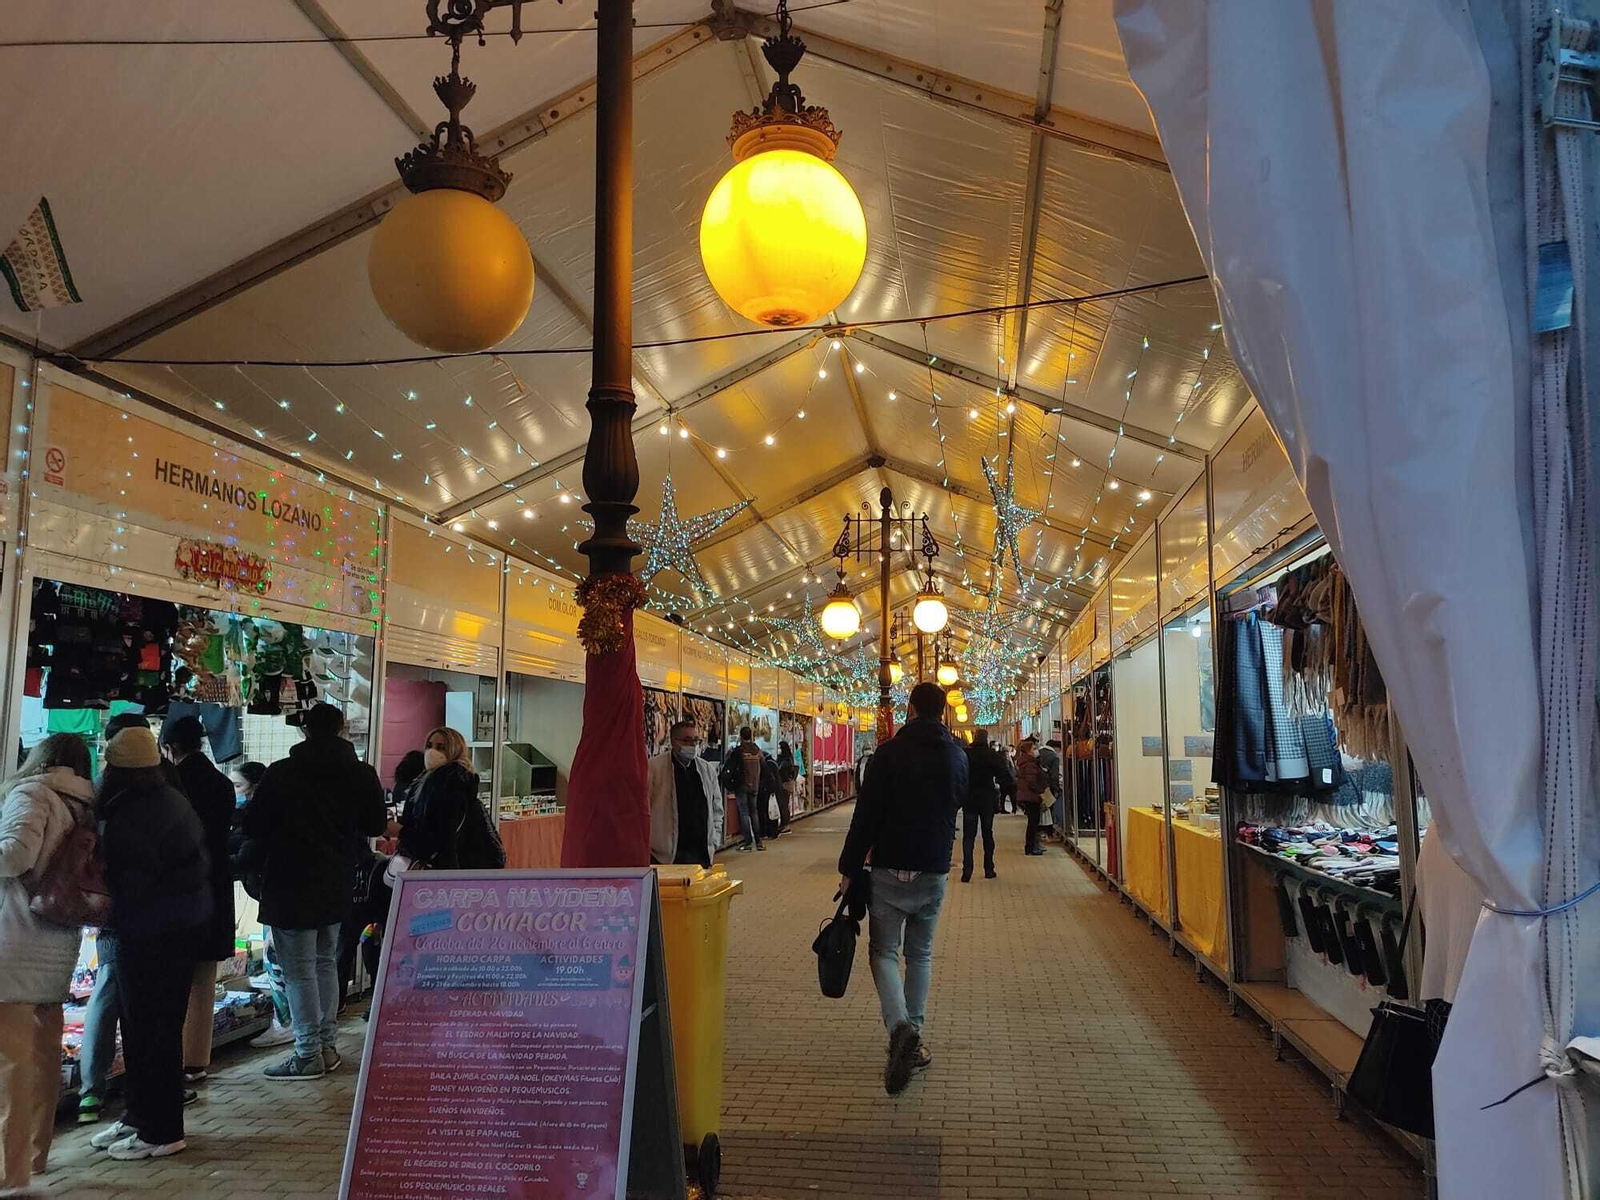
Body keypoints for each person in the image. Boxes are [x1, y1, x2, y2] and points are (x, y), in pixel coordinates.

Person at [836, 682, 967, 1096]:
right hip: (932, 867)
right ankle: (915, 1036)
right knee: (921, 954)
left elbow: (866, 815)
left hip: (889, 867)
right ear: (943, 712)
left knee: (883, 953)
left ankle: (899, 1027)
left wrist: (849, 867)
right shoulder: (956, 756)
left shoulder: (888, 754)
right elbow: (955, 805)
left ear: (909, 709)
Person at [242, 703, 385, 1081]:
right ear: (340, 730)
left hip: (289, 882)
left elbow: (255, 825)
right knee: (324, 962)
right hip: (337, 879)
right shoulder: (360, 773)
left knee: (298, 969)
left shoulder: (282, 773)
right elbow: (375, 822)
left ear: (304, 729)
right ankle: (326, 1045)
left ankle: (307, 1052)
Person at [88, 726, 212, 1162]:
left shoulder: (138, 811)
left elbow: (136, 878)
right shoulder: (164, 799)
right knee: (148, 1028)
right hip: (170, 929)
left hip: (152, 932)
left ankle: (160, 1130)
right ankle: (141, 1117)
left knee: (151, 1031)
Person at [0, 733, 96, 1191]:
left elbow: (14, 854)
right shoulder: (84, 804)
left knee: (9, 1063)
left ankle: (8, 1170)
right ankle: (36, 1156)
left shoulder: (32, 793)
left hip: (14, 940)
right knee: (41, 1059)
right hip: (59, 941)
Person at [79, 712, 180, 1126]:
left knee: (112, 998)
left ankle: (99, 1095)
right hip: (161, 921)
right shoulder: (168, 793)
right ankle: (144, 1109)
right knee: (152, 1017)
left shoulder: (110, 799)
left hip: (126, 919)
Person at [160, 717, 236, 1087]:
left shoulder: (171, 785)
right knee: (204, 979)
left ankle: (169, 1057)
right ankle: (196, 1059)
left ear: (169, 747)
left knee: (173, 980)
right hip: (216, 888)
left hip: (179, 893)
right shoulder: (222, 784)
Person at [228, 763, 294, 1050]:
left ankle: (286, 1023)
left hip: (275, 898)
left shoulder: (258, 821)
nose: (234, 793)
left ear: (255, 787)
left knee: (277, 960)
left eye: (238, 786)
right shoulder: (283, 812)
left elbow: (248, 856)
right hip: (284, 896)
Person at [397, 728, 482, 871]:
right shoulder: (426, 780)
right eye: (429, 746)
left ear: (455, 750)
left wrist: (400, 831)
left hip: (440, 868)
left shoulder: (451, 784)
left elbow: (440, 836)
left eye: (441, 748)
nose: (432, 752)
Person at [646, 720, 723, 869]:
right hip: (666, 856)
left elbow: (717, 807)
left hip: (700, 855)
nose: (692, 745)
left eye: (695, 740)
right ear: (673, 741)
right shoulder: (654, 768)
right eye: (686, 740)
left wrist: (714, 841)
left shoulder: (705, 770)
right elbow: (645, 808)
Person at [961, 730, 1012, 883]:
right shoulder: (992, 755)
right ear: (987, 738)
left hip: (969, 797)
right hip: (987, 797)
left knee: (968, 835)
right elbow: (1005, 775)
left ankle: (967, 871)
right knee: (987, 833)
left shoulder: (966, 754)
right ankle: (988, 868)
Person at [721, 727, 766, 852]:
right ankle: (759, 842)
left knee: (744, 813)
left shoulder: (738, 751)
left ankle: (747, 843)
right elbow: (763, 765)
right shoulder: (757, 750)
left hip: (742, 785)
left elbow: (729, 764)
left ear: (741, 736)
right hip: (754, 786)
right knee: (754, 812)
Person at [1016, 737, 1046, 856]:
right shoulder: (1030, 764)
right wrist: (1040, 791)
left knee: (1032, 822)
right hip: (1031, 796)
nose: (1036, 750)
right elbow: (1031, 781)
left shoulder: (1024, 761)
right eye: (1034, 748)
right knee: (1033, 823)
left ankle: (1030, 846)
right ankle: (1031, 847)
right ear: (1029, 751)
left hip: (1026, 795)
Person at [1039, 736, 1065, 843]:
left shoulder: (1038, 752)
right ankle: (1047, 833)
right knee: (1048, 809)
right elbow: (1054, 776)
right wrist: (1056, 789)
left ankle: (1040, 834)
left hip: (1036, 787)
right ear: (1057, 748)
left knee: (1039, 811)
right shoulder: (1054, 757)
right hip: (1048, 786)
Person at [776, 741, 799, 832]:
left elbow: (781, 771)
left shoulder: (785, 761)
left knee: (783, 805)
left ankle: (785, 825)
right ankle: (784, 824)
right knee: (784, 804)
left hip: (785, 784)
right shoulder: (789, 759)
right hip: (788, 783)